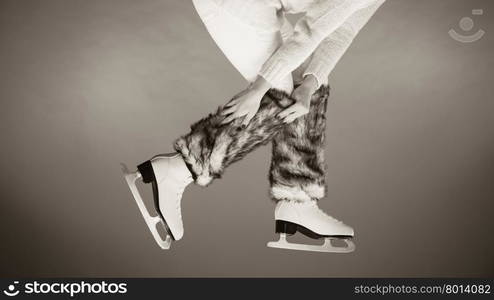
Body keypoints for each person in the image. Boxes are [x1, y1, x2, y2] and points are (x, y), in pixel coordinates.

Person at [122, 0, 386, 252]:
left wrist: (309, 84)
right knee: (280, 94)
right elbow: (311, 29)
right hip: (237, 5)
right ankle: (180, 169)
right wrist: (260, 88)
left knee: (306, 84)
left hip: (269, 6)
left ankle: (298, 200)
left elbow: (340, 31)